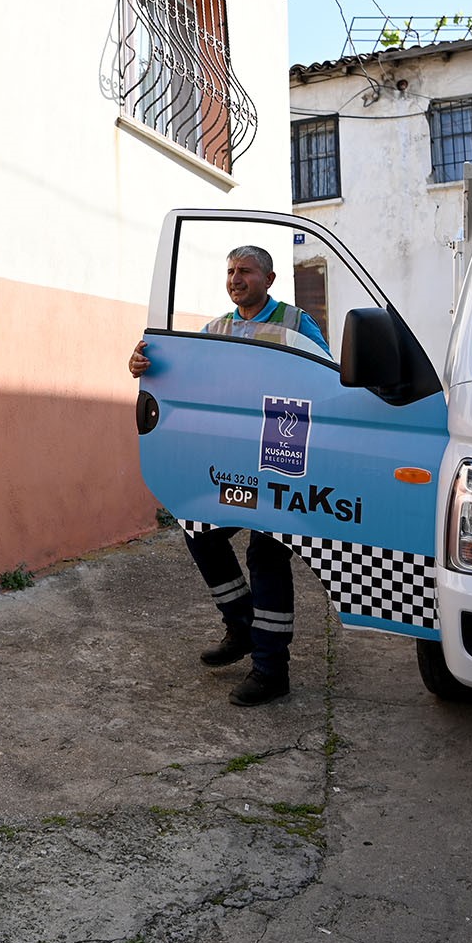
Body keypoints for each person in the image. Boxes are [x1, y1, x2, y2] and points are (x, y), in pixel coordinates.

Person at [128, 244, 328, 707]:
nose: (236, 279)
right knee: (201, 531)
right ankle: (240, 625)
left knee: (267, 549)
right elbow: (185, 375)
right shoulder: (217, 328)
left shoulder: (297, 324)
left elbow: (328, 379)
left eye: (247, 271)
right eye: (231, 271)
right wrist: (143, 367)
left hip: (281, 455)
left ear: (270, 280)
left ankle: (271, 669)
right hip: (234, 459)